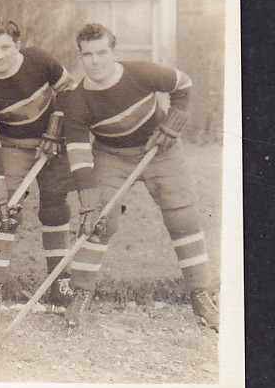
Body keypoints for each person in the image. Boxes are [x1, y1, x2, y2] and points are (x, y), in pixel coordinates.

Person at [61, 22, 219, 332]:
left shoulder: (141, 73)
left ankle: (200, 293)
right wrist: (89, 198)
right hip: (112, 156)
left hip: (160, 150)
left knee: (183, 217)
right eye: (87, 54)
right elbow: (79, 155)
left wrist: (173, 123)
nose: (95, 61)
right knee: (100, 221)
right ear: (80, 56)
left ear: (113, 51)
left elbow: (182, 84)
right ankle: (81, 293)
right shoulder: (77, 101)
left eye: (102, 53)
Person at [0, 18, 80, 323]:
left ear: (18, 46)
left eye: (6, 47)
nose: (0, 55)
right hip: (14, 147)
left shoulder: (39, 60)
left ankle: (60, 282)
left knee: (55, 206)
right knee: (6, 212)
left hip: (53, 144)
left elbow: (69, 90)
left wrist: (56, 128)